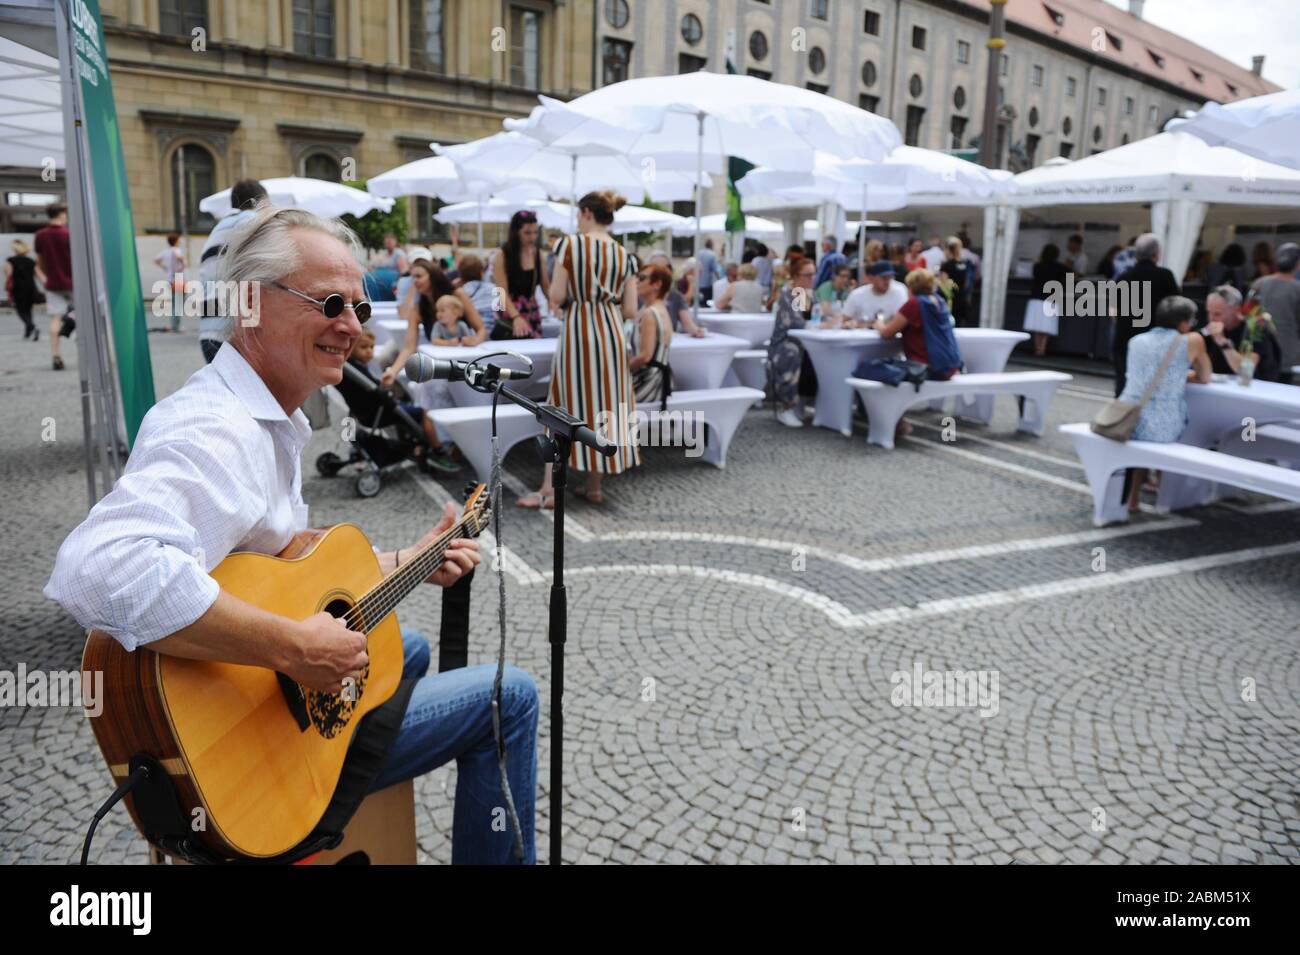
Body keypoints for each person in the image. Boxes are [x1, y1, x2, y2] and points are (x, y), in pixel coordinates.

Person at [45, 204, 537, 864]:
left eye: (359, 307)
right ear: (250, 303)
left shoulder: (267, 417)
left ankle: (339, 785)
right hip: (239, 757)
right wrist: (291, 647)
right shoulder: (214, 429)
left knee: (405, 648)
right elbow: (98, 565)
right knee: (511, 697)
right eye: (331, 301)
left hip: (270, 709)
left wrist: (411, 558)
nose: (353, 327)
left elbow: (290, 571)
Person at [518, 191, 641, 508]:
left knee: (561, 404)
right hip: (612, 331)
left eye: (577, 214)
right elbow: (630, 309)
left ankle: (548, 490)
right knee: (606, 402)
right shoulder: (623, 254)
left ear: (586, 213)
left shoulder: (570, 245)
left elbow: (556, 295)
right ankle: (594, 485)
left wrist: (576, 297)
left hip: (580, 329)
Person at [1117, 296, 1212, 510]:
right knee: (1186, 426)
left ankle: (1133, 498)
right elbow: (1205, 376)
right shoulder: (1192, 340)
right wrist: (1184, 375)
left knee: (1145, 435)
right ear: (1183, 323)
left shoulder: (1136, 340)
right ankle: (1166, 489)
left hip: (1127, 417)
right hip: (1162, 424)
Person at [336, 328, 459, 472]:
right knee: (424, 412)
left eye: (371, 347)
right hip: (378, 412)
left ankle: (414, 446)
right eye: (363, 347)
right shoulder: (356, 369)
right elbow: (377, 390)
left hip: (365, 412)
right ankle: (437, 450)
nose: (369, 351)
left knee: (405, 410)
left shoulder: (351, 368)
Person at [870, 268, 963, 438]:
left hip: (927, 367)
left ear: (911, 287)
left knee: (878, 372)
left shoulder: (914, 304)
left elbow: (887, 333)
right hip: (948, 366)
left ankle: (893, 423)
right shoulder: (938, 301)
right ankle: (895, 420)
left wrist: (879, 323)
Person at [385, 257, 487, 388]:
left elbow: (481, 329)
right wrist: (393, 372)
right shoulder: (418, 309)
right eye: (413, 277)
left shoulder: (457, 295)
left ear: (432, 276)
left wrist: (475, 340)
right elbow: (409, 347)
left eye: (419, 276)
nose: (415, 281)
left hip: (465, 360)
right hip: (438, 366)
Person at [199, 178, 268, 363]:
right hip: (238, 336)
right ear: (260, 203)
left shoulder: (217, 230)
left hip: (208, 332)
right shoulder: (255, 223)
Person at [1112, 233, 1180, 396]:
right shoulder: (1165, 276)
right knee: (1152, 387)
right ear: (1157, 254)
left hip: (1125, 337)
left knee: (1124, 386)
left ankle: (1121, 418)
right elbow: (1176, 307)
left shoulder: (1123, 278)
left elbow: (1114, 311)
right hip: (1155, 338)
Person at [767, 257, 819, 429]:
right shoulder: (791, 293)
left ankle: (806, 402)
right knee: (794, 353)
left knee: (820, 355)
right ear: (796, 276)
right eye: (807, 275)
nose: (812, 278)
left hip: (804, 342)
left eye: (813, 274)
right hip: (784, 344)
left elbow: (815, 318)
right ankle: (787, 406)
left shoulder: (808, 293)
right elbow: (798, 323)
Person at [1202, 285, 1283, 381]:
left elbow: (1245, 371)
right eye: (1208, 312)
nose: (1211, 318)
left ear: (1236, 310)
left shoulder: (1255, 329)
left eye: (1217, 314)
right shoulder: (1208, 330)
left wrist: (1223, 342)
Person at [1247, 242, 1300, 383]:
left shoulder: (1259, 284)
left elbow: (1247, 313)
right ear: (1297, 264)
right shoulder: (1297, 289)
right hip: (1287, 355)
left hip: (1257, 354)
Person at [489, 210, 546, 340]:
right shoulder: (502, 255)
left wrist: (557, 304)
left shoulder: (537, 254)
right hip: (509, 313)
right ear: (516, 232)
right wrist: (516, 316)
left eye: (535, 232)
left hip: (531, 311)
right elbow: (499, 292)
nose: (532, 237)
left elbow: (546, 287)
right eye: (527, 233)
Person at [34, 202, 72, 371]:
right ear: (62, 214)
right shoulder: (68, 234)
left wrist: (44, 279)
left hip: (52, 284)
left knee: (55, 318)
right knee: (85, 318)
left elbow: (38, 263)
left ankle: (56, 355)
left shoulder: (40, 235)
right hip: (74, 283)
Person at [630, 263, 674, 404]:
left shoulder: (650, 313)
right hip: (657, 380)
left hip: (647, 382)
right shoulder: (660, 309)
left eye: (642, 278)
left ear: (657, 284)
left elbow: (645, 356)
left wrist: (620, 371)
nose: (636, 281)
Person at [647, 252, 706, 336]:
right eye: (657, 269)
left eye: (667, 268)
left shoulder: (675, 295)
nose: (663, 272)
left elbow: (688, 324)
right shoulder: (641, 294)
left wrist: (696, 331)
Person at [1024, 243, 1068, 357]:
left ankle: (1037, 348)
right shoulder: (1059, 267)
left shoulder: (1037, 266)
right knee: (1046, 326)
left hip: (1036, 297)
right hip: (1050, 298)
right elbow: (1072, 275)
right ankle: (1042, 348)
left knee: (1037, 325)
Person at [843, 261, 909, 327]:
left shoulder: (899, 290)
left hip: (891, 336)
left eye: (890, 277)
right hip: (862, 336)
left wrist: (865, 324)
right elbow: (844, 319)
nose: (887, 281)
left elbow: (901, 321)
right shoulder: (857, 294)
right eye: (884, 277)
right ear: (871, 278)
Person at [5, 239, 40, 340]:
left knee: (20, 310)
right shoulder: (31, 261)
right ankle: (28, 332)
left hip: (18, 288)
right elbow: (39, 275)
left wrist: (7, 287)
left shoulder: (10, 260)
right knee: (28, 310)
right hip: (31, 288)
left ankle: (32, 327)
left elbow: (9, 275)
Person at [153, 233, 186, 332]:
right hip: (178, 279)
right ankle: (176, 327)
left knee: (174, 304)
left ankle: (173, 325)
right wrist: (183, 264)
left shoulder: (166, 252)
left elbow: (156, 260)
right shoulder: (177, 250)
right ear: (176, 241)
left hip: (170, 280)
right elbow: (178, 256)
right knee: (179, 304)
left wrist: (165, 268)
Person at [939, 236, 974, 328]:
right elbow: (967, 283)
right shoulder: (966, 263)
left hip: (949, 300)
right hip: (962, 298)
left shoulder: (946, 265)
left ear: (947, 249)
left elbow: (944, 285)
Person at [455, 254, 497, 325]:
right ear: (481, 272)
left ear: (461, 275)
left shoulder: (460, 293)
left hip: (473, 333)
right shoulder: (495, 288)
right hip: (499, 332)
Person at [696, 238, 721, 305]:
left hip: (697, 282)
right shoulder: (712, 255)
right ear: (712, 245)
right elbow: (715, 269)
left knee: (698, 302)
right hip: (707, 283)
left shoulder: (698, 253)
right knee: (706, 302)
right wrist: (719, 280)